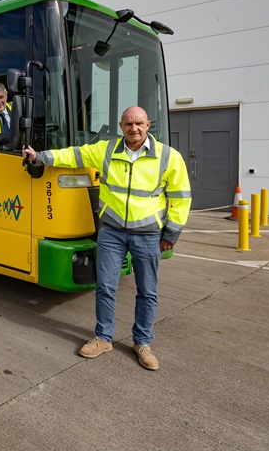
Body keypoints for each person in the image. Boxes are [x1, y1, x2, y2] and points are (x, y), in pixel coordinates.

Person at [23, 106, 191, 371]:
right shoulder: (107, 149)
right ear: (121, 126)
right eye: (128, 124)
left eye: (138, 123)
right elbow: (74, 155)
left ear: (148, 125)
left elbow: (181, 197)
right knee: (105, 287)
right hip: (112, 232)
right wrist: (40, 156)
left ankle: (142, 343)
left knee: (147, 291)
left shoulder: (168, 157)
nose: (133, 128)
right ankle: (103, 338)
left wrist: (170, 233)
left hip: (148, 234)